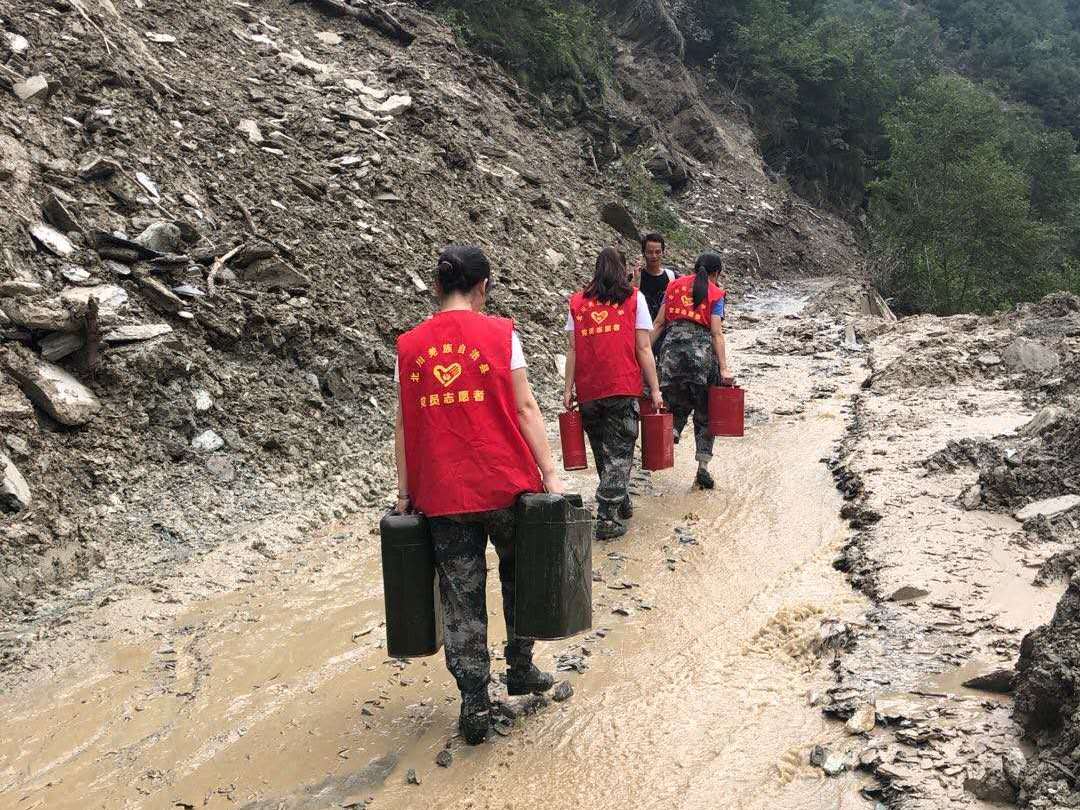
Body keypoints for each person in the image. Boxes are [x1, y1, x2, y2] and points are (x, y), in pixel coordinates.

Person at [394, 245, 565, 745]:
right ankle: (521, 667)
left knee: (461, 597)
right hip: (505, 483)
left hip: (443, 496)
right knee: (521, 574)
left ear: (438, 286)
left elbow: (404, 426)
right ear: (482, 285)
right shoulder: (501, 334)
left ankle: (474, 704)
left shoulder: (409, 347)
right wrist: (550, 474)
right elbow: (527, 406)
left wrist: (405, 493)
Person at [563, 247, 663, 540]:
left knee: (603, 453)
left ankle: (621, 502)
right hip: (621, 387)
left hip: (589, 390)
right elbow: (643, 348)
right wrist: (655, 389)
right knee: (619, 454)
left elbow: (573, 348)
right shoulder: (634, 299)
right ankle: (607, 517)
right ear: (623, 271)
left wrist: (568, 389)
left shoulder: (578, 302)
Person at [650, 252, 734, 490]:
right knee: (706, 412)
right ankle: (703, 467)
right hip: (701, 358)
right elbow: (716, 333)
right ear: (716, 273)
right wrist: (725, 368)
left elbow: (659, 323)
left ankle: (674, 429)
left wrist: (641, 354)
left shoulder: (673, 286)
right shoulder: (716, 293)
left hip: (670, 357)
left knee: (676, 400)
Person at [633, 232, 676, 321]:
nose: (654, 256)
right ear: (643, 253)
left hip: (663, 327)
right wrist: (636, 280)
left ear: (663, 252)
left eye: (658, 252)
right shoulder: (636, 276)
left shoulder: (671, 277)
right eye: (650, 252)